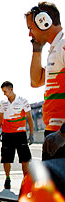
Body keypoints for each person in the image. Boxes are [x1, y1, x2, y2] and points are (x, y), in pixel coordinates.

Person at [25, 2, 65, 160]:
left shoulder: (62, 46)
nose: (29, 34)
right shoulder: (54, 49)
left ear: (44, 21)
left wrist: (63, 133)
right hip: (55, 132)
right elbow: (36, 81)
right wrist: (37, 50)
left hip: (61, 134)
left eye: (30, 28)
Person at [0, 81, 34, 190]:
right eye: (3, 92)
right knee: (6, 159)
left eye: (5, 91)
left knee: (25, 159)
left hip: (20, 134)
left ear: (11, 89)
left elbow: (30, 118)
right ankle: (7, 178)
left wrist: (31, 134)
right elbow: (0, 119)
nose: (4, 94)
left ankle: (25, 181)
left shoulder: (23, 101)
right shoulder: (3, 102)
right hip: (7, 135)